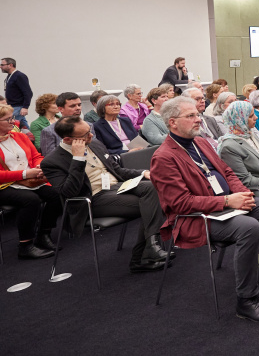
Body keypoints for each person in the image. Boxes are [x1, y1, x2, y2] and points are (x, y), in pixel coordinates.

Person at [149, 97, 259, 322]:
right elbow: (180, 203)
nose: (198, 119)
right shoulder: (163, 157)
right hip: (198, 217)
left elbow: (227, 173)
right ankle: (246, 300)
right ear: (172, 123)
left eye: (197, 114)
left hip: (227, 204)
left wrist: (243, 194)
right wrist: (227, 201)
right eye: (190, 116)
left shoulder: (201, 142)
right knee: (248, 227)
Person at [42, 116, 168, 272]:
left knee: (153, 187)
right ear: (68, 140)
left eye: (90, 131)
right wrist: (78, 158)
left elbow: (117, 170)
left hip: (118, 186)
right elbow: (69, 192)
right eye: (84, 135)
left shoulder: (94, 143)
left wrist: (142, 173)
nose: (91, 136)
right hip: (92, 199)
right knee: (152, 204)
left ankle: (149, 249)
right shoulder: (51, 161)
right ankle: (142, 255)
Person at [0, 103, 63, 259]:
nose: (13, 122)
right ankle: (25, 245)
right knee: (30, 200)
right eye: (8, 120)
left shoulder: (19, 136)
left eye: (12, 118)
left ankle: (44, 234)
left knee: (56, 193)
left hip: (28, 179)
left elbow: (36, 156)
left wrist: (39, 166)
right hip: (5, 185)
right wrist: (25, 173)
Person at [40, 92, 89, 157]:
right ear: (60, 109)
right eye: (72, 106)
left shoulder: (89, 126)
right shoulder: (49, 131)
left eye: (79, 105)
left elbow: (95, 148)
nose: (78, 108)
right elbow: (50, 157)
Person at [1, 58, 33, 128]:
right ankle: (30, 138)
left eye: (2, 65)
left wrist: (25, 107)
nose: (0, 67)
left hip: (17, 107)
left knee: (12, 126)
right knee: (24, 127)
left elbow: (28, 92)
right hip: (13, 106)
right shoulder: (10, 76)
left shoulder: (19, 76)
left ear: (10, 65)